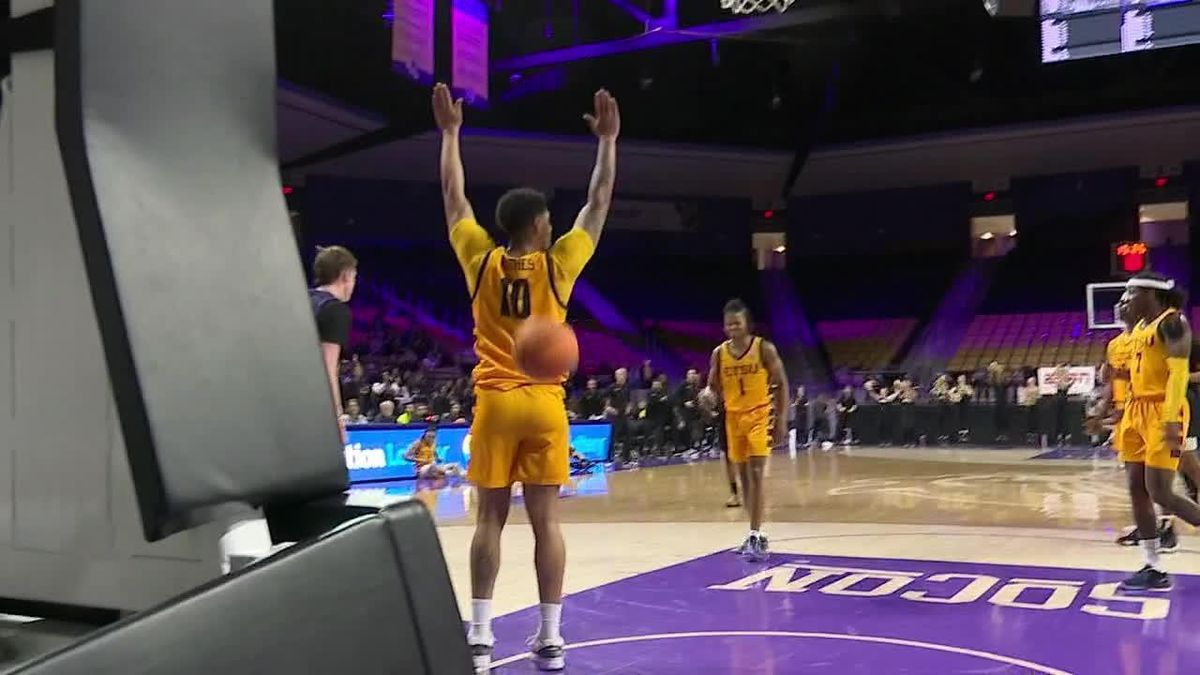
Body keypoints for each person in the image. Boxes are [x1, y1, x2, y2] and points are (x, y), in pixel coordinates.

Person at [434, 82, 619, 673]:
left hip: (495, 401)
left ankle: (480, 636)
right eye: (548, 219)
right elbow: (599, 201)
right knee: (547, 523)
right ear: (539, 225)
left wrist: (450, 134)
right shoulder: (558, 265)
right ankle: (551, 636)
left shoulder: (480, 259)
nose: (553, 223)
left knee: (488, 520)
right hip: (543, 405)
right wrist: (608, 143)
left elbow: (454, 196)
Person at [1114, 272, 1197, 591]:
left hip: (1164, 410)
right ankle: (1153, 566)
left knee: (1160, 491)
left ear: (1151, 294)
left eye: (1132, 292)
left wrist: (1170, 420)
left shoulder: (1172, 322)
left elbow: (1178, 375)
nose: (1125, 298)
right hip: (1136, 411)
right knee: (1136, 488)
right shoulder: (1138, 328)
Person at [700, 299, 789, 562]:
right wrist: (707, 397)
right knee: (744, 479)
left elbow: (782, 384)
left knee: (757, 473)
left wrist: (782, 419)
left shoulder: (764, 348)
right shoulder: (719, 353)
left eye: (737, 323)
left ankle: (756, 534)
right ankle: (754, 533)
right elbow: (712, 386)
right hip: (733, 418)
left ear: (747, 324)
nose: (732, 328)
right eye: (728, 324)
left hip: (760, 415)